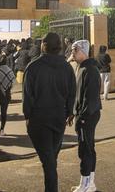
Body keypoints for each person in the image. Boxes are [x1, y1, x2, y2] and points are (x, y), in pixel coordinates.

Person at [23, 33, 76, 192]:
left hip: (39, 119)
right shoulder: (67, 67)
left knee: (49, 161)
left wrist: (27, 116)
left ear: (44, 45)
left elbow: (28, 96)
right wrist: (70, 112)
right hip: (59, 118)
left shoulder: (33, 67)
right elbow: (72, 92)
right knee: (50, 158)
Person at [71, 40, 102, 192]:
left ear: (83, 51)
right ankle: (89, 183)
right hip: (87, 114)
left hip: (87, 116)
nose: (72, 53)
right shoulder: (83, 68)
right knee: (88, 148)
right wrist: (73, 112)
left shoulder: (89, 70)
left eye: (75, 50)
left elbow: (89, 98)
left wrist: (81, 116)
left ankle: (86, 184)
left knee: (85, 149)